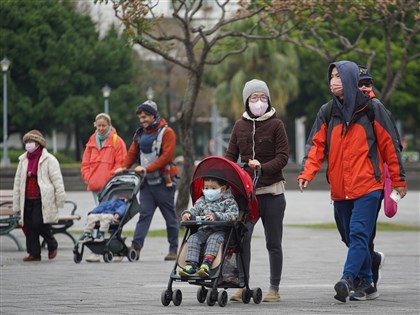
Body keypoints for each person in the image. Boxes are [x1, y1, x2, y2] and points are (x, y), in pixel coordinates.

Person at [297, 60, 407, 302]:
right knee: (350, 237)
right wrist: (307, 173)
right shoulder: (327, 111)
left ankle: (347, 280)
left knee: (358, 233)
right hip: (340, 188)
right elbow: (316, 145)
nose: (333, 81)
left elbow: (390, 146)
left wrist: (399, 180)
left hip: (369, 185)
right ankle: (368, 281)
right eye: (331, 76)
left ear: (349, 79)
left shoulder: (372, 109)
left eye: (338, 76)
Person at [225, 79, 289, 302]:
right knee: (241, 240)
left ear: (268, 100)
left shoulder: (276, 124)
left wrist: (263, 167)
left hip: (272, 192)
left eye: (263, 97)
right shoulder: (238, 126)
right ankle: (242, 285)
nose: (259, 101)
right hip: (246, 195)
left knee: (274, 242)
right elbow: (230, 157)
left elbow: (283, 157)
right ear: (246, 101)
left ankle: (274, 288)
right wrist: (225, 178)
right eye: (254, 97)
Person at [115, 100, 180, 261]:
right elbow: (132, 152)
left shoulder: (167, 133)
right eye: (140, 118)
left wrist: (147, 168)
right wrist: (123, 166)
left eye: (145, 117)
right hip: (146, 184)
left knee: (170, 218)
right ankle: (136, 248)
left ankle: (173, 249)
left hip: (165, 183)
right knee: (144, 215)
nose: (142, 120)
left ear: (153, 115)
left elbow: (167, 157)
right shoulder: (140, 134)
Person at [12, 130, 66, 262]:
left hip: (41, 198)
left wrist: (60, 198)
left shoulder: (49, 159)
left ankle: (52, 243)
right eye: (27, 142)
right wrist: (17, 203)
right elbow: (18, 181)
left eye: (31, 142)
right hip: (27, 198)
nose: (28, 144)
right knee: (29, 226)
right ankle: (34, 253)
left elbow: (57, 180)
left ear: (38, 144)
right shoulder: (23, 160)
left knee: (38, 223)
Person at [178, 174, 239, 278]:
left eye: (213, 188)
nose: (209, 190)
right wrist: (187, 214)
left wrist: (216, 216)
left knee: (214, 238)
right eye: (206, 188)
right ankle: (191, 264)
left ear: (223, 189)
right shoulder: (202, 201)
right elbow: (194, 210)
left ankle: (206, 264)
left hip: (221, 232)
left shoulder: (229, 202)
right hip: (204, 230)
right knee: (193, 238)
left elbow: (233, 215)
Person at [81, 113, 127, 205]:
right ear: (95, 125)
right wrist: (88, 177)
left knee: (108, 214)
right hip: (95, 185)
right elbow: (85, 163)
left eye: (104, 125)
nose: (101, 128)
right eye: (99, 126)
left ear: (109, 125)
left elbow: (121, 163)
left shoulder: (117, 141)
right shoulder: (91, 141)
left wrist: (109, 177)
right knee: (99, 212)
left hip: (110, 186)